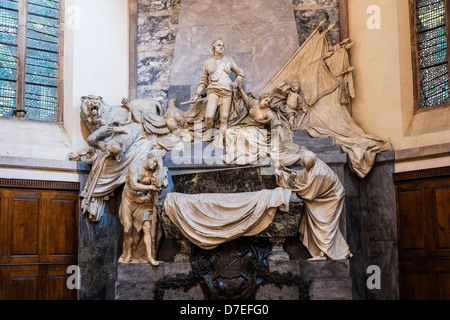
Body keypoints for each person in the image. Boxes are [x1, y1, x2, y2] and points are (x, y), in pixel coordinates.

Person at [275, 150, 352, 260]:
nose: (302, 165)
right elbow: (304, 176)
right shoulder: (314, 164)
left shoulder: (318, 173)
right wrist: (286, 170)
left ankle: (325, 254)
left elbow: (309, 193)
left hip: (330, 199)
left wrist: (292, 185)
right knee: (323, 226)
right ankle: (323, 253)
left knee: (325, 226)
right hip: (323, 196)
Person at [189, 38, 245, 144]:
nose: (221, 47)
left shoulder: (229, 60)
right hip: (213, 91)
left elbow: (240, 73)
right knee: (209, 116)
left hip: (226, 91)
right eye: (219, 45)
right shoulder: (207, 63)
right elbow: (203, 81)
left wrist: (236, 81)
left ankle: (220, 138)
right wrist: (196, 95)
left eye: (223, 45)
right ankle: (209, 134)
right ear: (213, 47)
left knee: (224, 118)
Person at [118, 153, 168, 265]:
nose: (154, 165)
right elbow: (134, 185)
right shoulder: (134, 166)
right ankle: (129, 254)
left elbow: (159, 184)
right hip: (128, 200)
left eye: (156, 163)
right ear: (148, 157)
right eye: (154, 161)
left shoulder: (153, 172)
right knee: (127, 229)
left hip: (143, 203)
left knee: (147, 227)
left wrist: (160, 166)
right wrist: (151, 187)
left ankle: (150, 256)